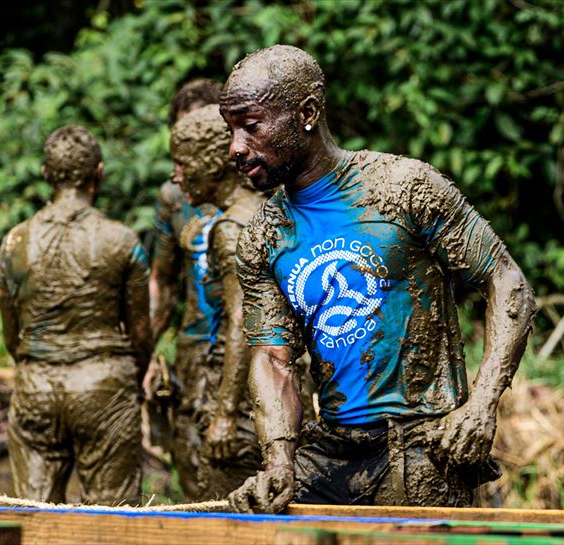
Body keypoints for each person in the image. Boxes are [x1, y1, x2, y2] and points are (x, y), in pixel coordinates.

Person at [219, 45, 537, 513]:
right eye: (230, 129)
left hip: (423, 446)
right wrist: (279, 462)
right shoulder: (264, 235)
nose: (235, 147)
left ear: (307, 113)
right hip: (329, 452)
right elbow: (274, 358)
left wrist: (482, 406)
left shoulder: (402, 187)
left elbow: (508, 283)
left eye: (251, 125)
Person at [0, 125, 151, 504]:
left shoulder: (14, 242)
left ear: (46, 175)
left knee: (31, 515)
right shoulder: (122, 241)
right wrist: (132, 380)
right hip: (104, 387)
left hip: (37, 386)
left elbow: (11, 335)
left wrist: (37, 363)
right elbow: (140, 334)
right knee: (112, 519)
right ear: (98, 173)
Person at [169, 104, 265, 499]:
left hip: (243, 409)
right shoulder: (261, 207)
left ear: (211, 162)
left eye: (182, 163)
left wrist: (224, 413)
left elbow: (242, 321)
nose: (176, 176)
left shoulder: (231, 228)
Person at [146, 78, 223, 499]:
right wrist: (141, 354)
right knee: (193, 462)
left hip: (258, 343)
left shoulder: (263, 183)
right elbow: (162, 281)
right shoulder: (174, 196)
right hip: (195, 343)